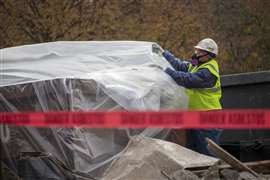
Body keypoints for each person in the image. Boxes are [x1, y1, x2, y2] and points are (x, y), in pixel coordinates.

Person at [162, 38, 222, 156]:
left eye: (200, 52)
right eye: (196, 50)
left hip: (208, 115)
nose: (196, 54)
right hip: (194, 115)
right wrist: (164, 53)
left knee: (207, 152)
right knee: (192, 151)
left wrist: (167, 71)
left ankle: (212, 173)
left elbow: (188, 80)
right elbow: (180, 66)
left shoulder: (208, 70)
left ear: (209, 55)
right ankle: (197, 174)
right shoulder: (197, 65)